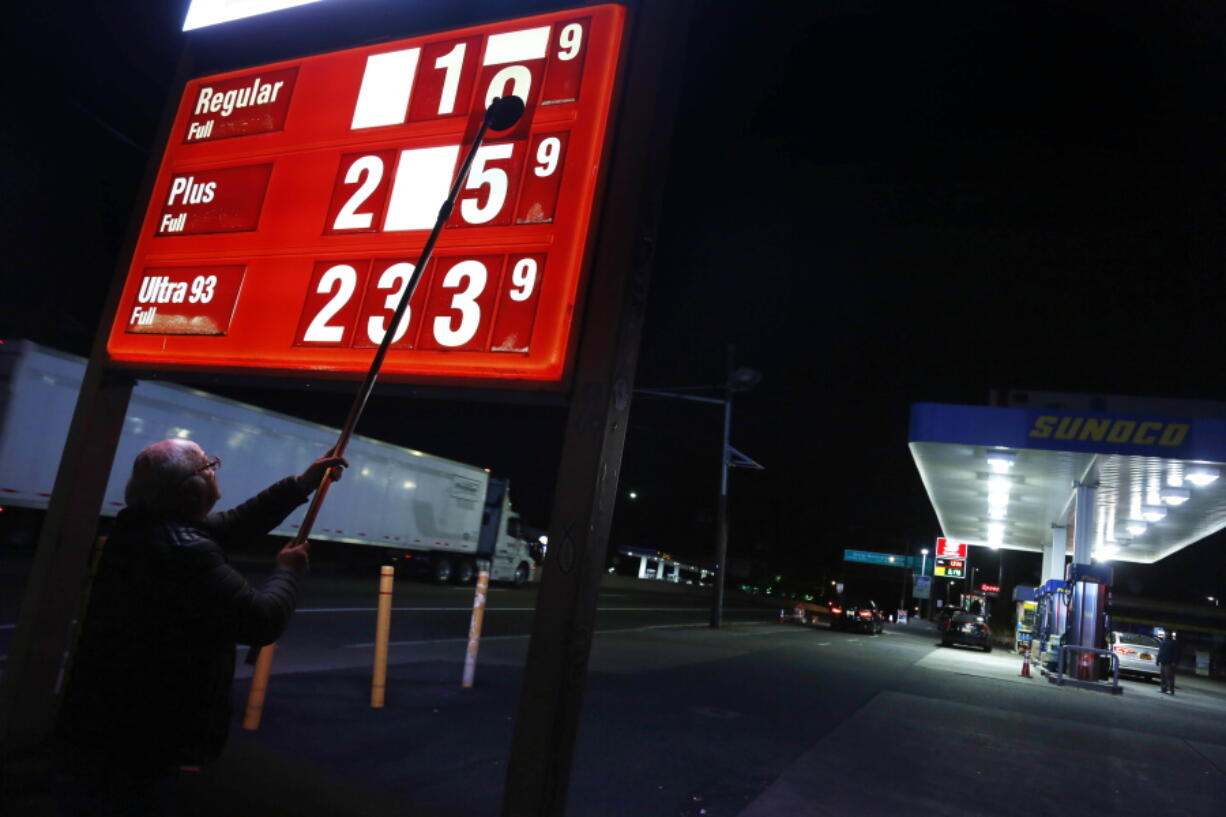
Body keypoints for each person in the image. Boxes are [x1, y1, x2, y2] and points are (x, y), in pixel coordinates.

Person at [55, 438, 347, 815]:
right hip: (144, 739)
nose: (214, 469)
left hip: (110, 726)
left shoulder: (146, 525)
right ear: (189, 488)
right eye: (209, 465)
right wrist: (288, 573)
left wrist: (301, 484)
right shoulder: (184, 551)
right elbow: (261, 621)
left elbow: (237, 523)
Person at [1157, 630, 1182, 695]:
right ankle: (1163, 689)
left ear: (1170, 634)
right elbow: (1160, 652)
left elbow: (1176, 653)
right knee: (1163, 676)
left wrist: (1174, 662)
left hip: (1169, 663)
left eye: (1168, 633)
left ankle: (1171, 690)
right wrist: (1158, 660)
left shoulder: (1174, 643)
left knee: (1169, 677)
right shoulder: (1163, 641)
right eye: (1166, 633)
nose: (1166, 634)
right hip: (1163, 661)